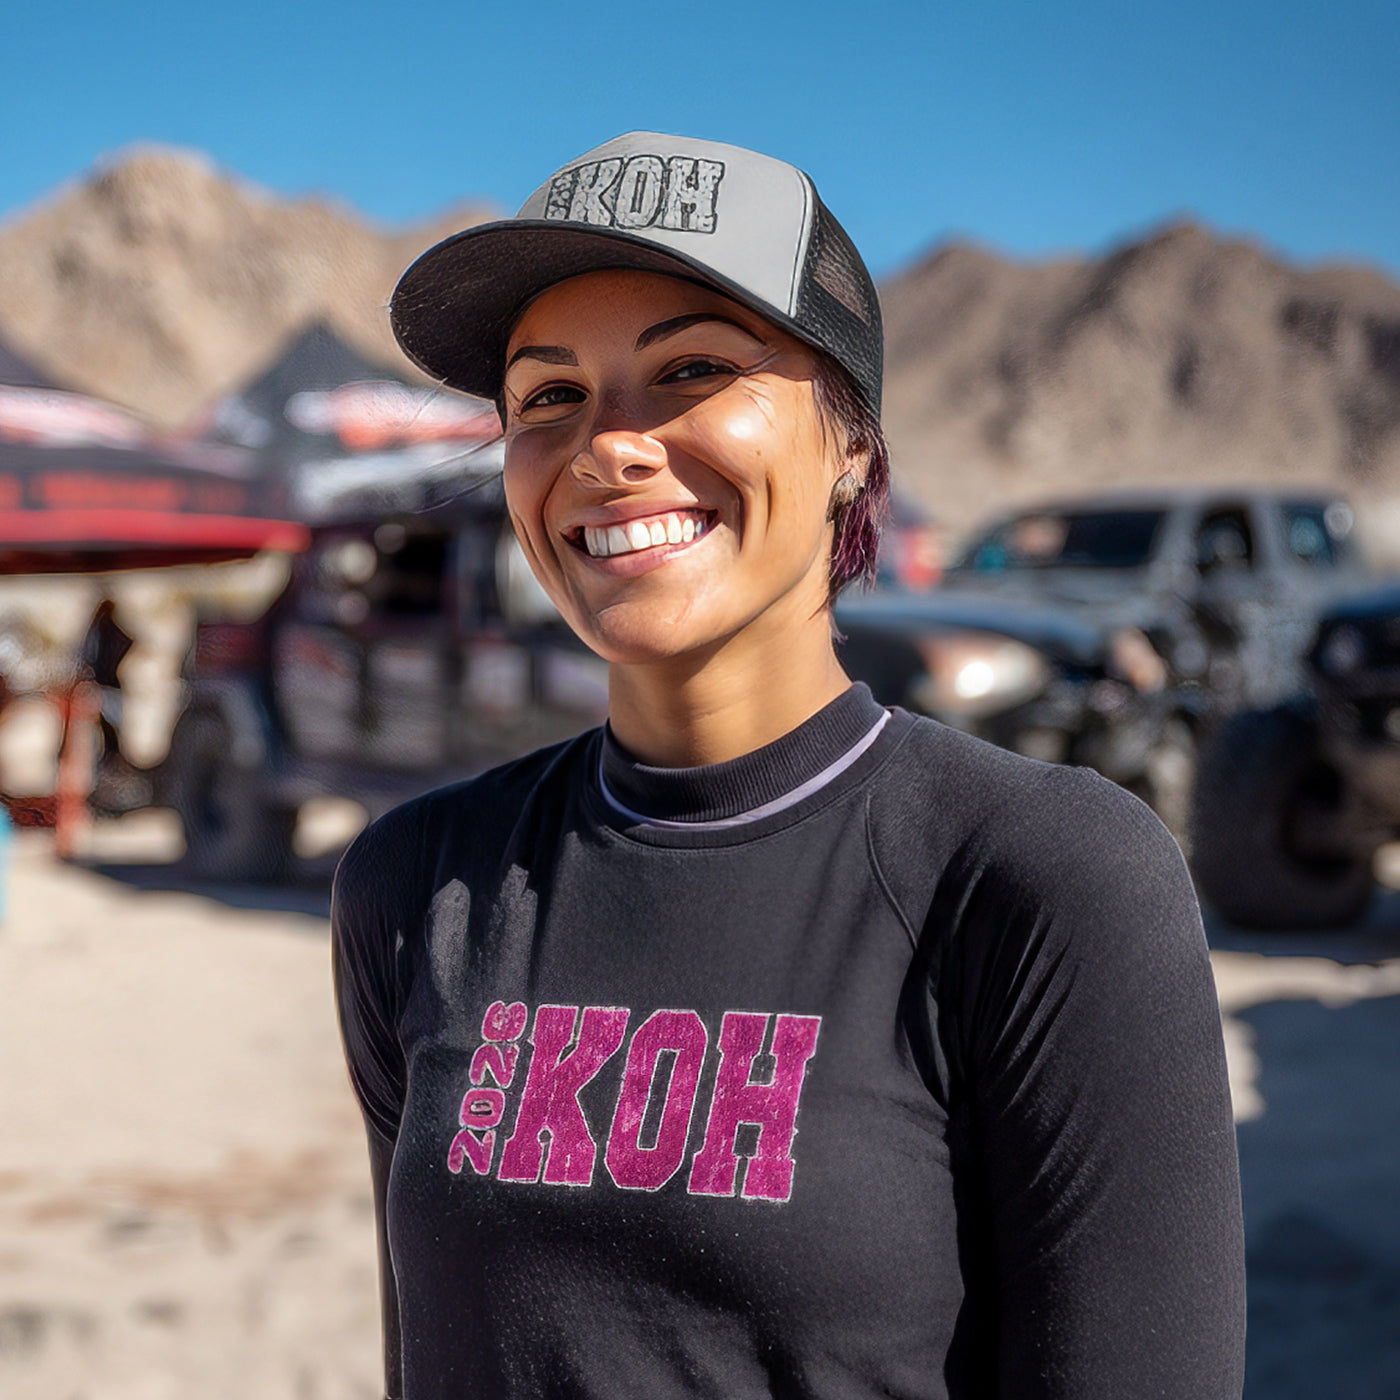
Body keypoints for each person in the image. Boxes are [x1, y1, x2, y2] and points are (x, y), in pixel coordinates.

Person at [333, 132, 1245, 1400]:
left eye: (693, 368)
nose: (608, 446)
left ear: (851, 442)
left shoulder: (1040, 878)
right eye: (548, 395)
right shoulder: (415, 881)